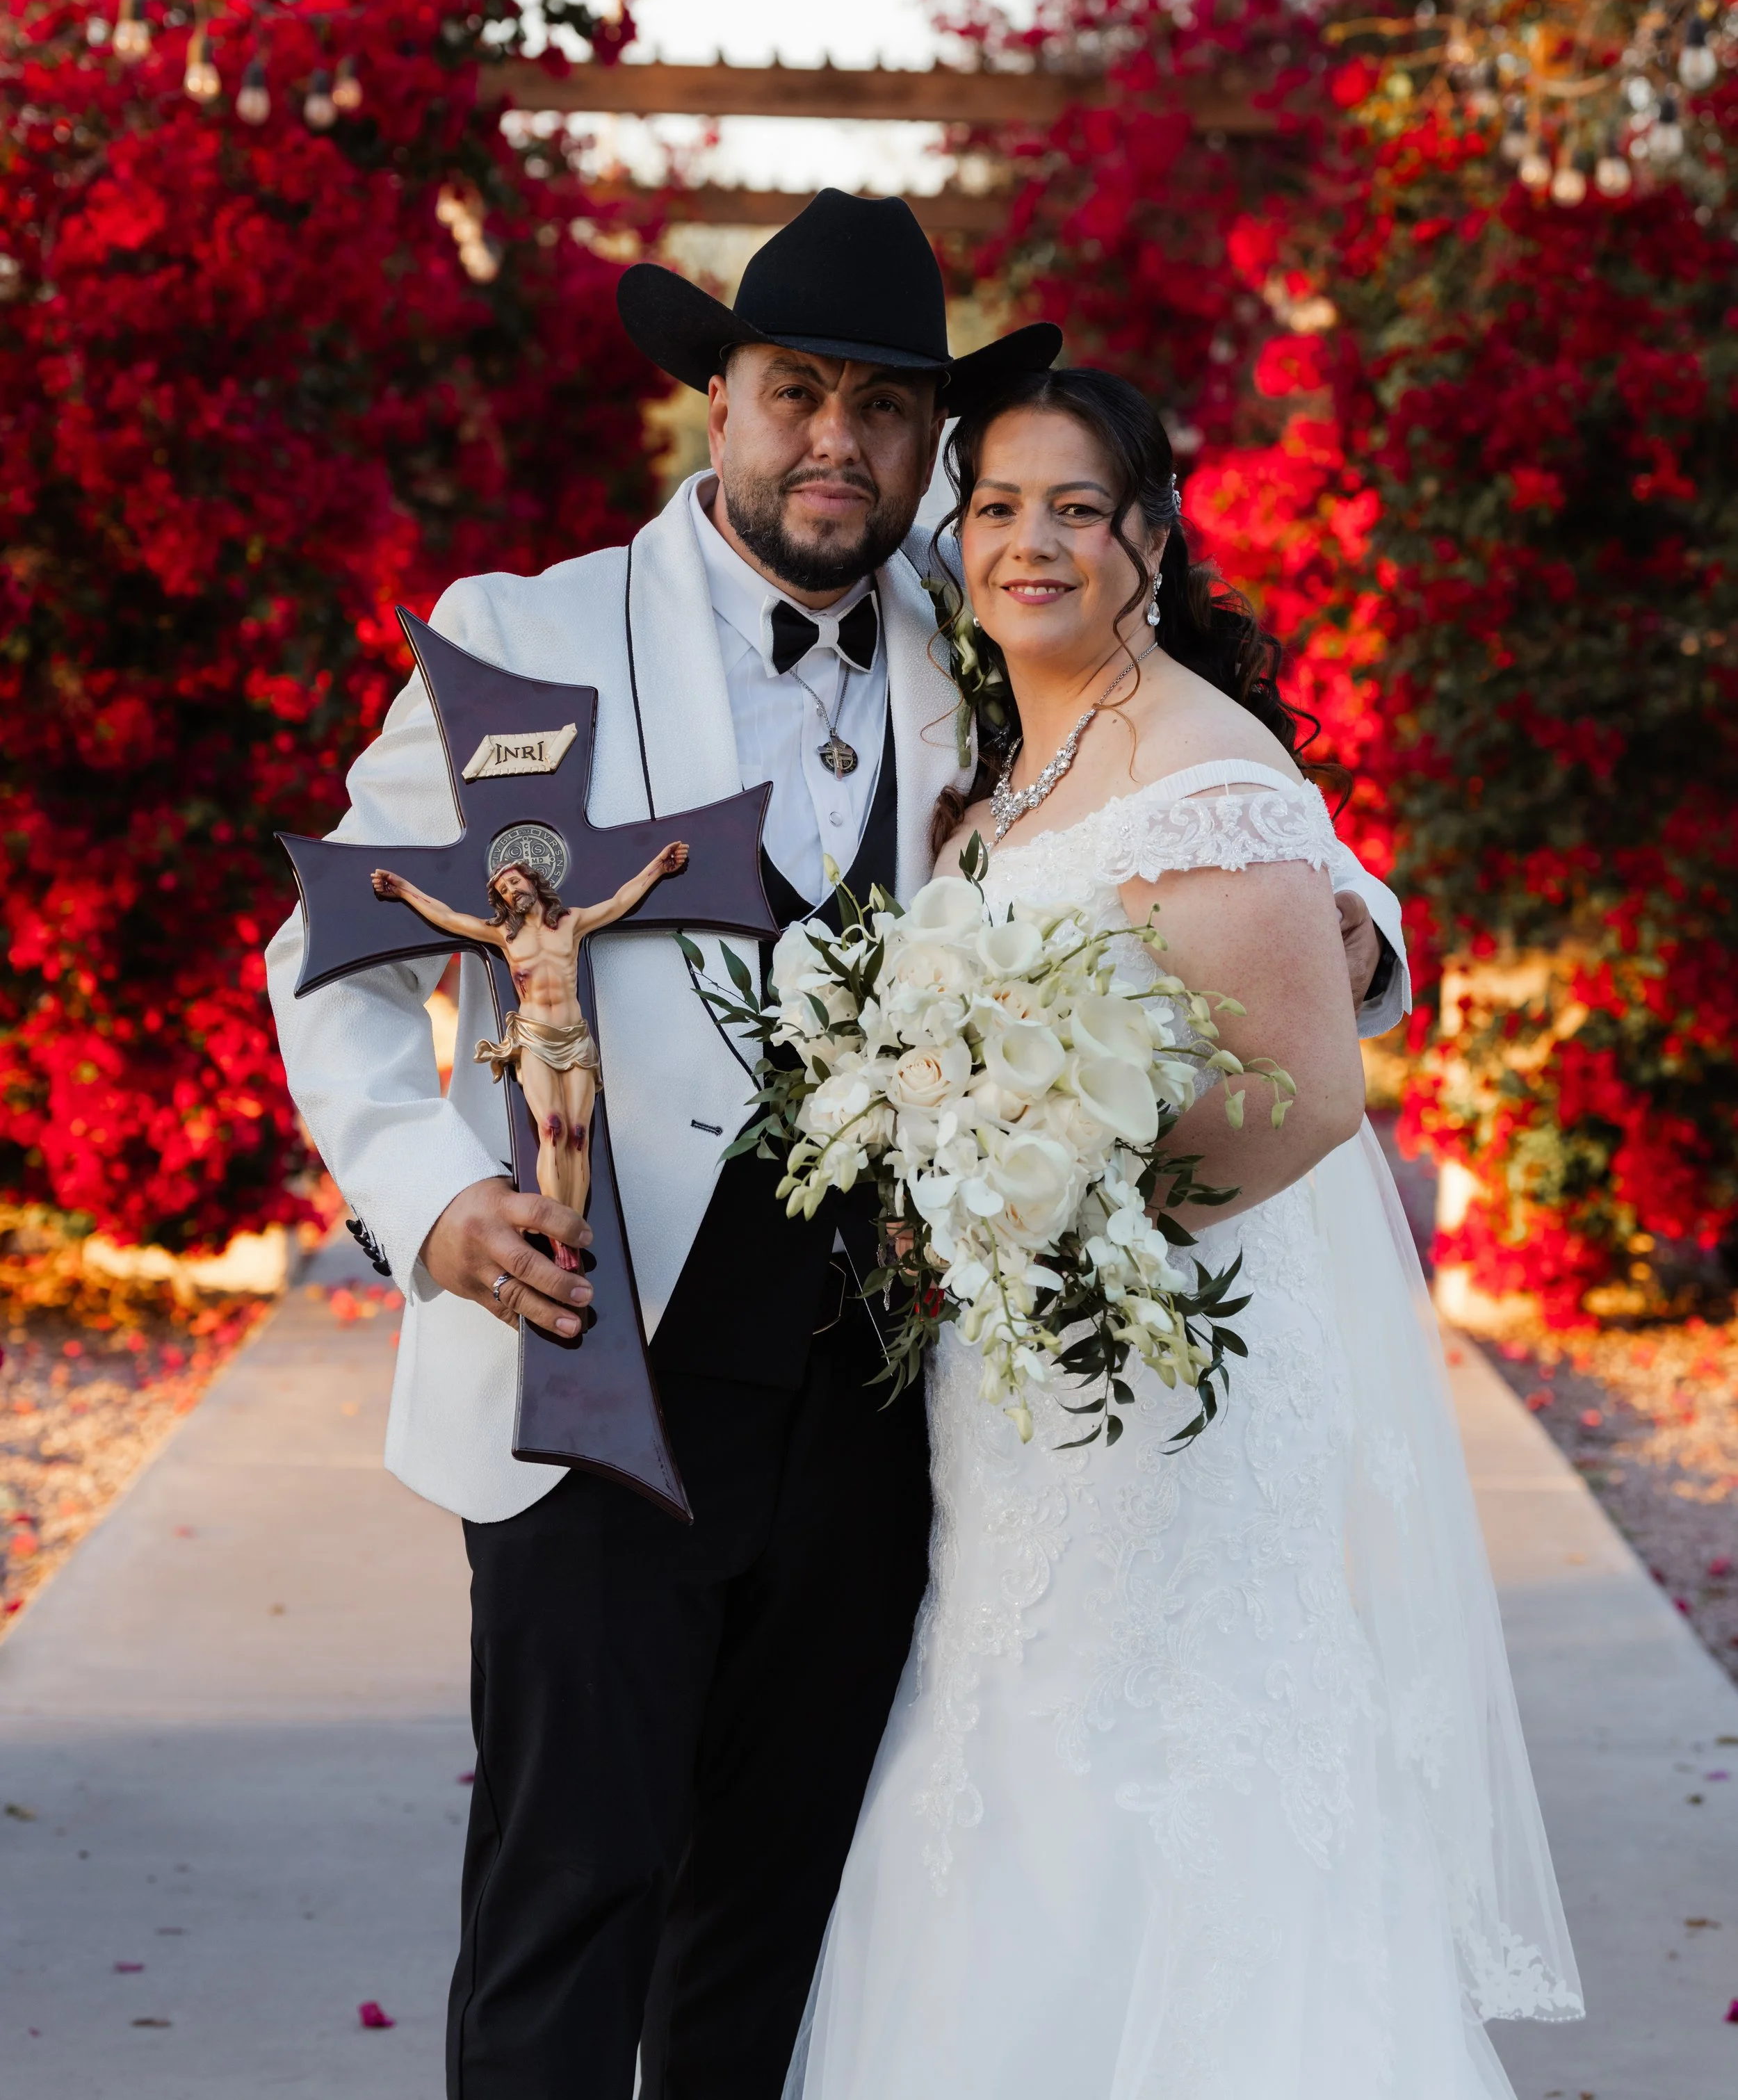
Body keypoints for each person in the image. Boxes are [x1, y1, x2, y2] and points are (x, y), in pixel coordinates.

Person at [266, 193, 1412, 2100]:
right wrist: (431, 1196)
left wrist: (1338, 933)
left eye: (886, 414)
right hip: (593, 1368)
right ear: (714, 398)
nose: (837, 444)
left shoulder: (968, 630)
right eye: (796, 391)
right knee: (569, 1903)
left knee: (768, 1934)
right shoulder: (527, 642)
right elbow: (334, 947)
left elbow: (1194, 780)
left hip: (882, 1409)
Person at [783, 369, 1580, 2100]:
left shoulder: (1206, 755)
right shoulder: (998, 768)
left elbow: (1304, 1088)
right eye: (996, 505)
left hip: (1161, 1364)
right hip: (1016, 1397)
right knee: (1008, 1745)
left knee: (1158, 1752)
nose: (1030, 540)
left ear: (1150, 535)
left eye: (1079, 506)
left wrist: (1078, 1247)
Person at [367, 846, 688, 1223]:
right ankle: (559, 1230)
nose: (511, 892)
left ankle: (575, 1221)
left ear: (533, 881)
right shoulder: (504, 935)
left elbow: (619, 902)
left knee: (579, 1134)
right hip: (534, 1037)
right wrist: (403, 889)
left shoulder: (572, 923)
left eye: (514, 882)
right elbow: (448, 917)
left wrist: (658, 868)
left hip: (575, 1038)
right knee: (552, 1127)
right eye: (503, 890)